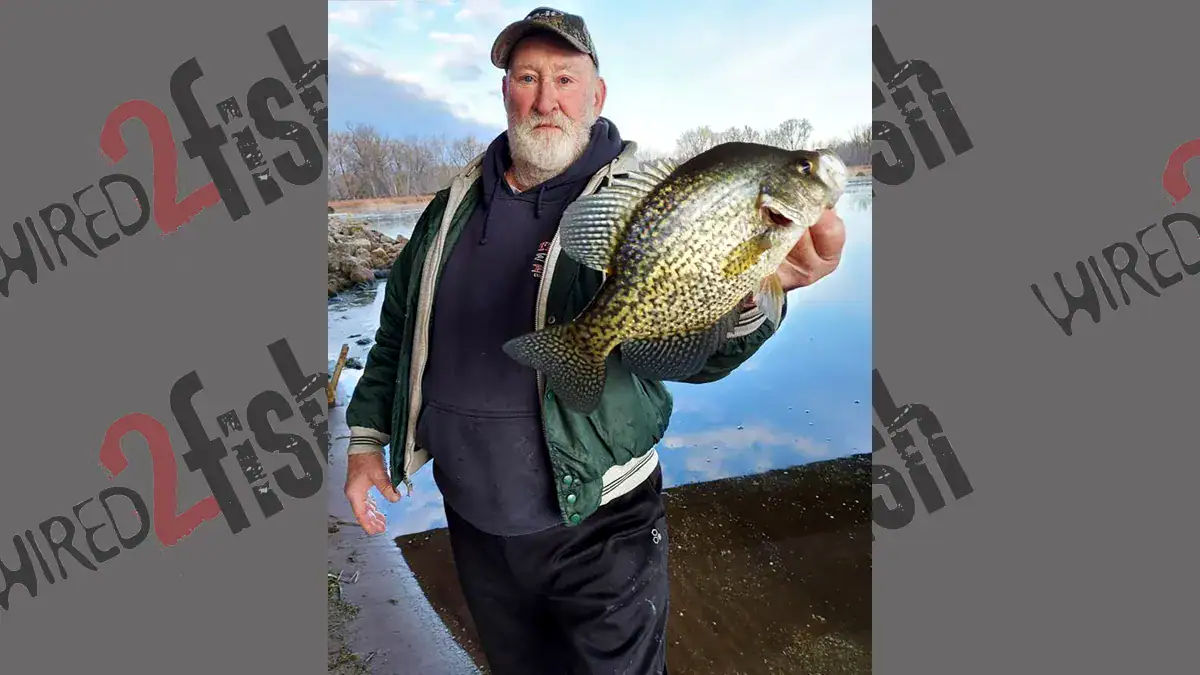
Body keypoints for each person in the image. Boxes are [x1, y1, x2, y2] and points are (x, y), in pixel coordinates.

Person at [341, 6, 847, 674]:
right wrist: (368, 438)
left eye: (564, 78)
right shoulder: (448, 207)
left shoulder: (644, 198)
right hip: (473, 521)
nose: (545, 98)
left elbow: (690, 351)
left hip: (603, 527)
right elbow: (399, 325)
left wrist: (750, 295)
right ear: (505, 92)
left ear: (597, 94)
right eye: (526, 77)